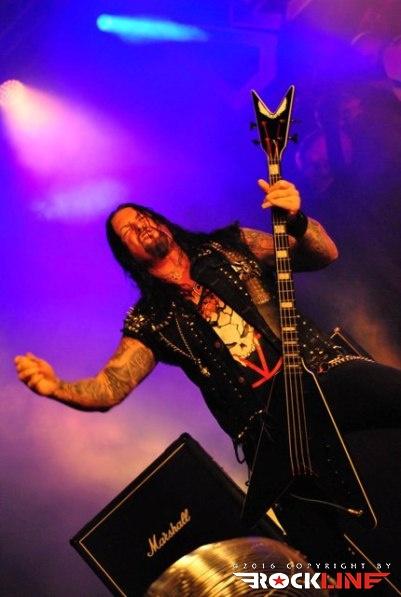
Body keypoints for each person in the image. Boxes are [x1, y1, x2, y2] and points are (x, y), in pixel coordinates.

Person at [14, 179, 401, 565]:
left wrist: (297, 220)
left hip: (318, 373)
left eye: (144, 216)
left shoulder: (230, 246)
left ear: (162, 221)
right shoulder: (152, 320)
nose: (141, 225)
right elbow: (110, 387)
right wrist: (55, 387)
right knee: (319, 556)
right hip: (267, 432)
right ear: (126, 254)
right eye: (128, 230)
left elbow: (323, 254)